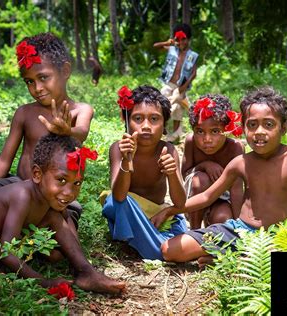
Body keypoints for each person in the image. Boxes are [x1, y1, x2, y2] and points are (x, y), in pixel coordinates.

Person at [155, 86, 287, 265]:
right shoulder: (241, 162)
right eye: (252, 125)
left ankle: (233, 258)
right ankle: (238, 256)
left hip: (278, 236)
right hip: (240, 231)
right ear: (243, 128)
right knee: (170, 250)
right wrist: (171, 210)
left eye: (269, 124)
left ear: (283, 128)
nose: (259, 131)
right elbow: (207, 196)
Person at [0, 134, 126, 294]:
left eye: (77, 183)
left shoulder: (48, 200)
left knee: (55, 224)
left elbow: (66, 230)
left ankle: (87, 273)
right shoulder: (22, 196)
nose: (69, 192)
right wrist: (44, 281)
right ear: (37, 174)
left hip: (3, 243)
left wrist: (78, 260)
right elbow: (7, 250)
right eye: (62, 180)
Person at [0, 32, 94, 204]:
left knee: (65, 216)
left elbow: (81, 132)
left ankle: (29, 220)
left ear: (65, 71)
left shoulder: (80, 110)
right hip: (21, 186)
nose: (37, 88)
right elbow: (4, 159)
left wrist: (67, 131)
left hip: (55, 191)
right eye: (29, 81)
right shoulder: (24, 113)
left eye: (43, 77)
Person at [101, 85, 187, 260]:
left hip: (156, 215)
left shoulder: (168, 150)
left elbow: (179, 203)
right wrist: (127, 159)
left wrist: (171, 173)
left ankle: (144, 242)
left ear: (164, 125)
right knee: (112, 202)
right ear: (126, 121)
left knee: (177, 223)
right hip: (127, 212)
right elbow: (119, 196)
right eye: (138, 118)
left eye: (154, 119)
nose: (146, 126)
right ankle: (157, 248)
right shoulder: (118, 149)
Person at [181, 94, 245, 229]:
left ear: (226, 129)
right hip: (195, 197)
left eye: (215, 131)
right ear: (193, 130)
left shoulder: (235, 148)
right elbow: (185, 174)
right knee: (200, 180)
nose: (207, 139)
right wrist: (204, 165)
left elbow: (236, 189)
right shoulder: (191, 142)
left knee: (222, 218)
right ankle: (194, 230)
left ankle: (214, 234)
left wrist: (240, 228)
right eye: (200, 131)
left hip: (223, 199)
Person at [153, 23, 199, 143]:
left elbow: (194, 73)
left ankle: (175, 135)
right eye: (178, 39)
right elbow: (155, 46)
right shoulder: (172, 49)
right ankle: (162, 129)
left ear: (188, 39)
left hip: (181, 87)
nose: (181, 42)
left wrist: (183, 87)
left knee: (177, 107)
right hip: (169, 84)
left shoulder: (192, 56)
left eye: (183, 39)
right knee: (165, 100)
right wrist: (167, 43)